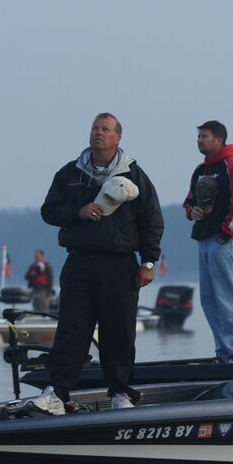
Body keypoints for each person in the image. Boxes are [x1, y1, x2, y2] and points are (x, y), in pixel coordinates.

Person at [32, 112, 164, 415]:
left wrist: (148, 262)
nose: (98, 133)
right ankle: (57, 393)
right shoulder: (70, 173)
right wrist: (78, 211)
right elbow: (49, 211)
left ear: (118, 138)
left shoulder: (134, 175)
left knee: (119, 330)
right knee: (72, 329)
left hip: (120, 264)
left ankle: (119, 392)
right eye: (94, 128)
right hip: (79, 262)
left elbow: (152, 220)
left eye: (105, 129)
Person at [183, 120, 233, 364]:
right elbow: (189, 201)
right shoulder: (201, 170)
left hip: (225, 241)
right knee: (209, 299)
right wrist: (194, 213)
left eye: (204, 136)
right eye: (198, 136)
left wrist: (227, 233)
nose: (199, 140)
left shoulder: (232, 165)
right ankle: (223, 352)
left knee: (229, 298)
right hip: (204, 239)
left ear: (218, 140)